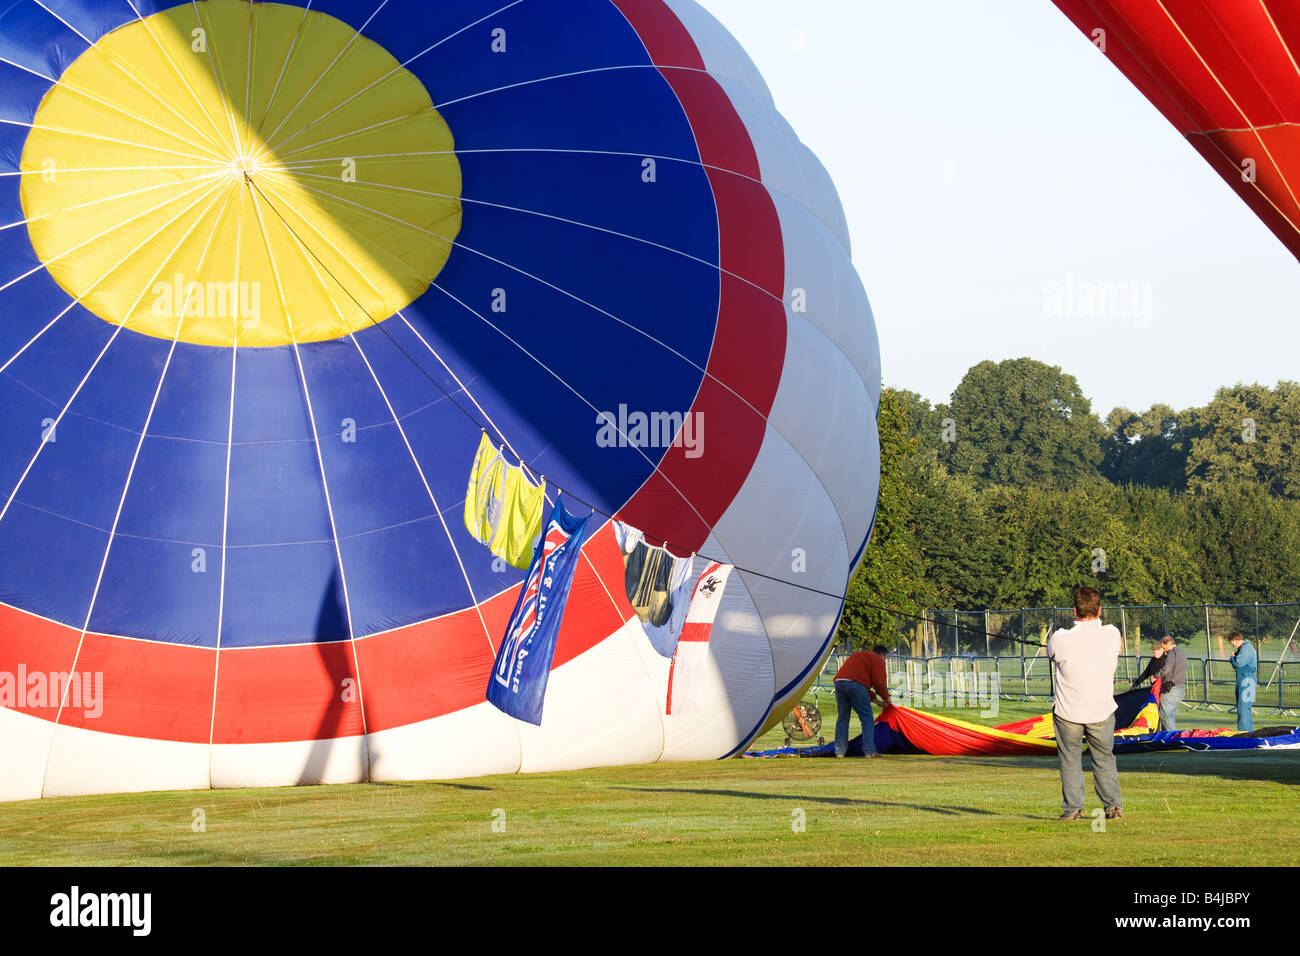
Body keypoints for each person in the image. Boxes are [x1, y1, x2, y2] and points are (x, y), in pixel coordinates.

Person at [1047, 586, 1123, 821]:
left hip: (1068, 712)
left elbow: (1052, 654)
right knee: (1104, 759)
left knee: (1070, 760)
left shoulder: (1060, 637)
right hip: (1101, 710)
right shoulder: (1112, 634)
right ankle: (1113, 807)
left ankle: (1073, 810)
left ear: (1074, 611)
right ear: (1099, 609)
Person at [833, 644, 891, 758]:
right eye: (885, 658)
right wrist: (887, 699)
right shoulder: (877, 659)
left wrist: (875, 700)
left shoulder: (860, 656)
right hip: (855, 685)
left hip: (839, 682)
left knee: (843, 718)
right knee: (867, 719)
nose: (884, 661)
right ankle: (870, 752)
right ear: (882, 655)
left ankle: (839, 752)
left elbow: (860, 681)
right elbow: (878, 683)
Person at [1132, 635, 1187, 730]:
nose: (1164, 649)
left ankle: (1171, 739)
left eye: (1163, 646)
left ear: (1167, 645)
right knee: (1169, 715)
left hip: (1171, 689)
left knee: (1165, 715)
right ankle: (1167, 737)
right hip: (1180, 687)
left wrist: (1155, 676)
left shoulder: (1171, 653)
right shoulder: (1182, 652)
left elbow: (1167, 669)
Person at [1228, 631, 1257, 732]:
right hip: (1242, 679)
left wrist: (1232, 658)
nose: (1233, 645)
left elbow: (1238, 663)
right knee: (1243, 708)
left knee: (1243, 709)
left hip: (1246, 679)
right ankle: (1249, 732)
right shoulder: (1243, 649)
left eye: (1233, 642)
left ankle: (1244, 732)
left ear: (1237, 640)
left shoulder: (1246, 648)